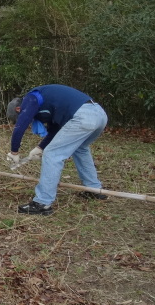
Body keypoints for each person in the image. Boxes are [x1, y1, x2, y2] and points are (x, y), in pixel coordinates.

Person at [6, 84, 108, 216]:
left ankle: (42, 203)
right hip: (99, 114)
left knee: (52, 155)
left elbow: (20, 126)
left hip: (83, 117)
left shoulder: (30, 99)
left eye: (17, 117)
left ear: (19, 109)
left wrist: (14, 152)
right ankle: (94, 189)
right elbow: (55, 130)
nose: (29, 120)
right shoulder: (46, 106)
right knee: (80, 149)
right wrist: (40, 148)